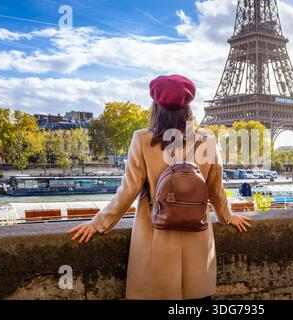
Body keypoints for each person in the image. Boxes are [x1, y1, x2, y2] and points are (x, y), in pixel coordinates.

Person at [67, 74, 252, 300]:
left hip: (156, 238)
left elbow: (128, 190)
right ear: (188, 107)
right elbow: (215, 189)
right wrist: (227, 216)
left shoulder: (142, 139)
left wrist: (98, 224)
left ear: (155, 106)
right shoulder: (207, 140)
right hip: (198, 239)